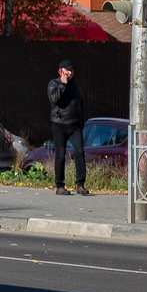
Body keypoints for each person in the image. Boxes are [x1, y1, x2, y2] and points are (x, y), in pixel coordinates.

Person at [47, 58, 90, 196]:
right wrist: (62, 85)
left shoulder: (76, 86)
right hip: (59, 124)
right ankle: (60, 186)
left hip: (75, 125)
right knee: (60, 154)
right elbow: (54, 99)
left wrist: (81, 121)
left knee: (79, 152)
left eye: (72, 71)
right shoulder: (54, 84)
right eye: (67, 71)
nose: (70, 73)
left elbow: (80, 103)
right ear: (61, 71)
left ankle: (80, 184)